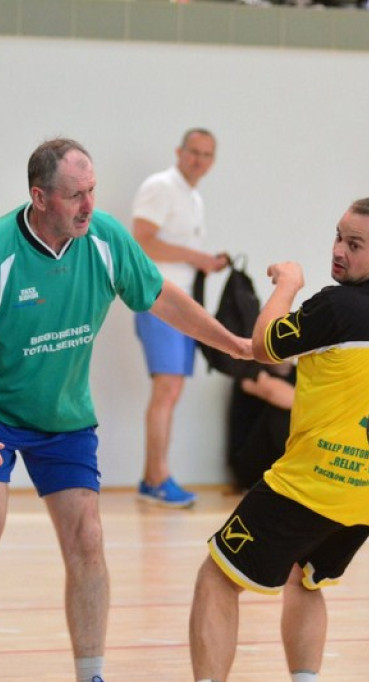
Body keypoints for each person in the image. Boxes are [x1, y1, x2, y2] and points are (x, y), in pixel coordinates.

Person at [0, 138, 251, 682]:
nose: (89, 206)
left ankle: (90, 674)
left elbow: (160, 297)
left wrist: (232, 342)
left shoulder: (106, 238)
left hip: (63, 412)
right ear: (40, 197)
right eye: (75, 196)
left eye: (92, 191)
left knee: (87, 538)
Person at [188, 197, 369, 682]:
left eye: (355, 244)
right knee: (305, 580)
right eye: (339, 237)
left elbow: (263, 346)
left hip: (308, 484)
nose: (339, 251)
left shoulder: (337, 306)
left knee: (217, 577)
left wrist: (288, 283)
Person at [131, 128, 230, 508]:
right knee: (167, 389)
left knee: (171, 391)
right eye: (193, 152)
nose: (198, 160)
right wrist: (196, 257)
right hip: (159, 300)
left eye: (207, 154)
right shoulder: (161, 186)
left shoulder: (192, 197)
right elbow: (142, 240)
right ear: (179, 151)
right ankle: (156, 478)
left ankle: (152, 477)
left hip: (180, 301)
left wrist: (204, 261)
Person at [227, 362, 296, 491]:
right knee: (282, 407)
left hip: (281, 466)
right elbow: (272, 392)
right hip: (250, 467)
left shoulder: (301, 373)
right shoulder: (250, 370)